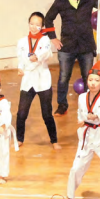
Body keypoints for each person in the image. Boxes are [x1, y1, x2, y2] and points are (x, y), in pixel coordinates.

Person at [44, 0, 98, 116]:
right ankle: (62, 105)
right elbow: (48, 19)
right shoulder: (60, 0)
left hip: (86, 45)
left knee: (89, 78)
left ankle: (89, 105)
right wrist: (53, 38)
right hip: (67, 46)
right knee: (63, 77)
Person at [67, 66, 100, 199]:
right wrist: (81, 119)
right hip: (86, 135)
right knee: (76, 167)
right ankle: (69, 196)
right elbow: (80, 112)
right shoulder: (81, 97)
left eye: (96, 80)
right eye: (90, 80)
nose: (93, 83)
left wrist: (95, 116)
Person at [16, 11, 60, 149]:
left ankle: (54, 141)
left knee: (47, 114)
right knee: (21, 112)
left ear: (42, 26)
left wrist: (37, 57)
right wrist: (20, 68)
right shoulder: (22, 41)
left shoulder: (45, 40)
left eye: (37, 24)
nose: (34, 27)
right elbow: (20, 58)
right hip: (28, 79)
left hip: (42, 79)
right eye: (32, 24)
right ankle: (19, 139)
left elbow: (47, 54)